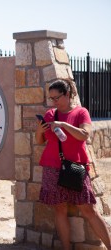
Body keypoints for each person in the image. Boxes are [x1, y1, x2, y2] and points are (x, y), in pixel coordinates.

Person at [35, 79, 111, 250]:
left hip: (76, 169)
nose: (53, 102)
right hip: (52, 167)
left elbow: (84, 135)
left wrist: (63, 124)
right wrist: (39, 130)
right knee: (60, 210)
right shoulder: (50, 115)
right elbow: (40, 141)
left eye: (57, 98)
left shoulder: (81, 113)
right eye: (51, 98)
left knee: (89, 211)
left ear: (67, 95)